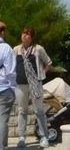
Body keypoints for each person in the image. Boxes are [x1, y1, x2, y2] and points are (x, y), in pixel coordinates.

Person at [14, 28, 52, 148]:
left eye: (28, 34)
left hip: (35, 84)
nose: (25, 36)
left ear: (32, 37)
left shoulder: (38, 49)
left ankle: (44, 136)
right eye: (23, 33)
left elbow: (49, 63)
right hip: (20, 84)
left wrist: (41, 75)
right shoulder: (16, 49)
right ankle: (21, 138)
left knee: (39, 111)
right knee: (22, 111)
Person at [0, 21, 16, 149]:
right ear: (3, 32)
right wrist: (13, 88)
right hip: (4, 88)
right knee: (2, 121)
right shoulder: (6, 48)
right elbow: (10, 72)